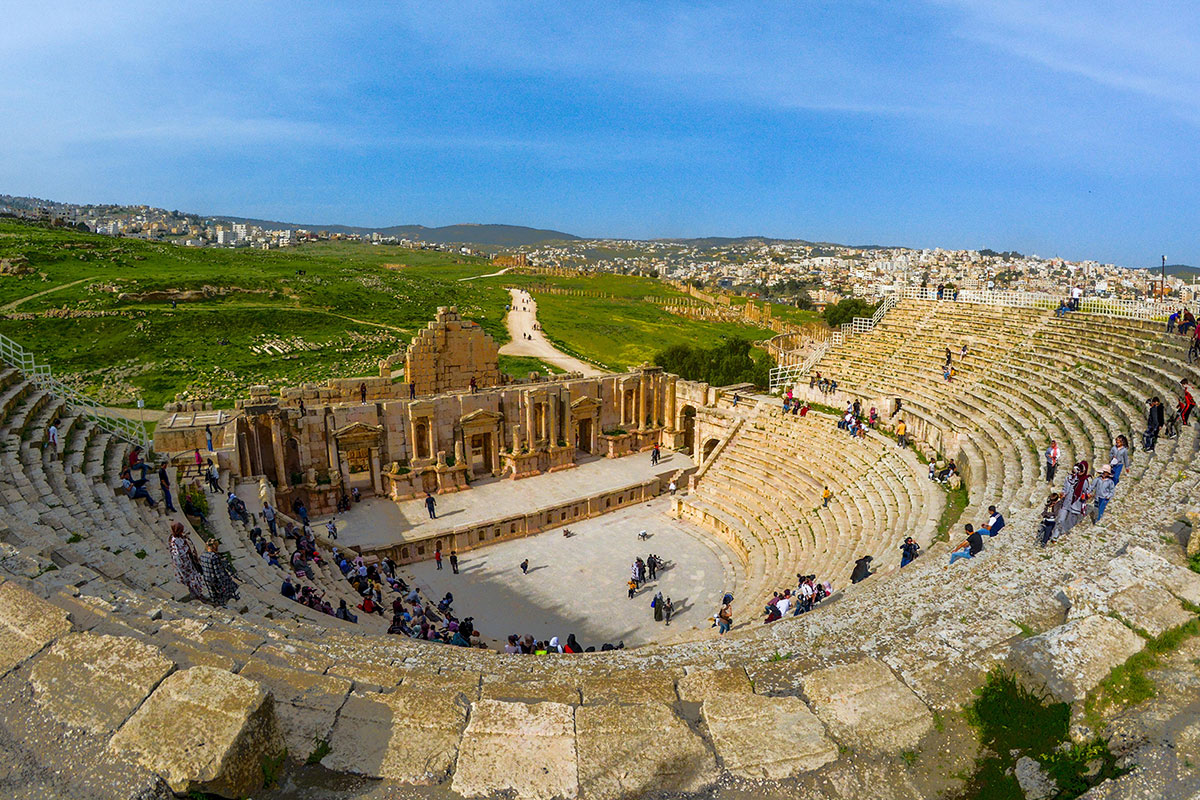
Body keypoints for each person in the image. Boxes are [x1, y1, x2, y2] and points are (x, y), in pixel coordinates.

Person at [168, 522, 206, 599]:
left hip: (188, 561)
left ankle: (198, 593)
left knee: (194, 576)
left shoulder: (179, 538)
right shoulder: (174, 541)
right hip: (183, 564)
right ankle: (196, 594)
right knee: (191, 579)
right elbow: (177, 554)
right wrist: (187, 550)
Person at [1054, 461, 1090, 541]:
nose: (1074, 474)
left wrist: (1085, 496)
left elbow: (1087, 492)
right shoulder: (1068, 478)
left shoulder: (1084, 482)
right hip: (1066, 502)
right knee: (1061, 519)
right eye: (1073, 472)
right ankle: (1055, 535)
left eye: (1076, 472)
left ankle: (1063, 533)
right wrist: (1063, 493)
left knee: (1071, 521)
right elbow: (1065, 488)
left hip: (1076, 504)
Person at [200, 539, 239, 606]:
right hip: (214, 579)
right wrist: (224, 581)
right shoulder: (214, 557)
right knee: (228, 586)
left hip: (207, 578)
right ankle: (224, 603)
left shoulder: (202, 555)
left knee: (213, 594)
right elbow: (217, 572)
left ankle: (215, 603)